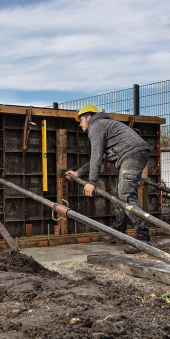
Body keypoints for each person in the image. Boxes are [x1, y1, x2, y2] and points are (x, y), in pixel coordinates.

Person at [65, 104, 151, 248]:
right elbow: (99, 157)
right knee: (120, 196)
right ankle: (119, 233)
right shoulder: (105, 126)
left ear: (89, 117)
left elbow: (96, 156)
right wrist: (79, 173)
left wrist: (92, 181)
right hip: (134, 154)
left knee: (126, 195)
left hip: (132, 155)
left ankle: (143, 240)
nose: (80, 124)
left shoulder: (96, 126)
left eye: (81, 120)